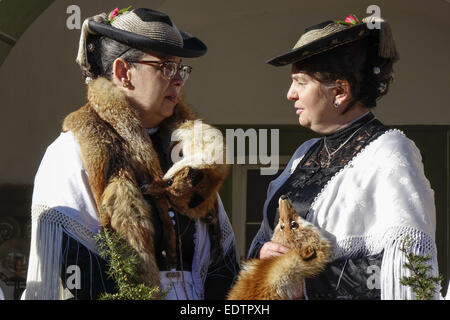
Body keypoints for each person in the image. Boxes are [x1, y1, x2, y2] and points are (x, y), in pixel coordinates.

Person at [24, 7, 239, 300]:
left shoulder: (190, 150)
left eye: (181, 69)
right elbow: (78, 270)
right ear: (124, 72)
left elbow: (221, 262)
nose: (178, 80)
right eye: (166, 67)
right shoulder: (72, 152)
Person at [248, 14, 442, 299]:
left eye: (300, 82)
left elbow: (407, 266)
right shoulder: (305, 154)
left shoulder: (390, 152)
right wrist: (265, 254)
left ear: (339, 91)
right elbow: (267, 238)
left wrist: (307, 281)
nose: (290, 94)